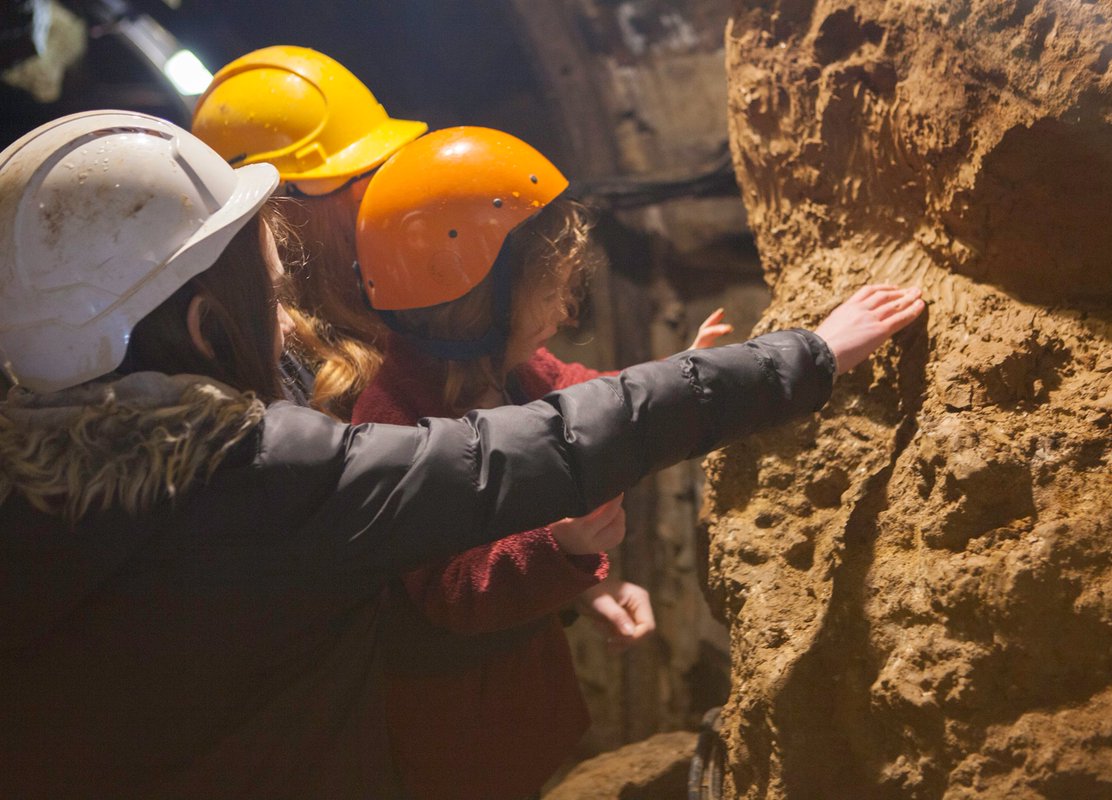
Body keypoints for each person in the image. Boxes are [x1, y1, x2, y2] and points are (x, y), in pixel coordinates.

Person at [0, 111, 923, 798]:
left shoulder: (40, 500)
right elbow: (560, 440)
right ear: (208, 329)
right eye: (271, 296)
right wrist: (805, 355)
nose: (296, 319)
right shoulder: (270, 480)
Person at [350, 126, 737, 799]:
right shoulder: (391, 422)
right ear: (478, 299)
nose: (565, 309)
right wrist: (558, 548)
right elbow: (448, 590)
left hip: (514, 707)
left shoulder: (510, 368)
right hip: (453, 738)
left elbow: (595, 399)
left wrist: (677, 378)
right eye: (549, 290)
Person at [192, 45, 428, 419]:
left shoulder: (400, 296)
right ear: (277, 210)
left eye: (378, 167)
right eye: (355, 176)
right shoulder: (276, 370)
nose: (373, 193)